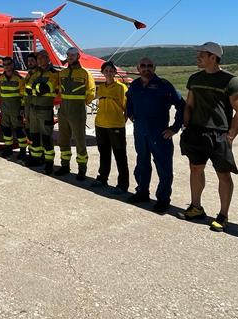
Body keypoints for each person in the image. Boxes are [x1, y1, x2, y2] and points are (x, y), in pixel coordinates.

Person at [179, 42, 238, 231]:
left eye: (202, 54)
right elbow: (190, 104)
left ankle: (223, 215)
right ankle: (195, 207)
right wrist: (186, 125)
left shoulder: (232, 81)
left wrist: (230, 136)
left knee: (223, 175)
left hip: (219, 133)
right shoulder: (194, 78)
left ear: (213, 57)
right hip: (196, 131)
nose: (198, 57)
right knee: (195, 169)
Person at [125, 56, 184, 212]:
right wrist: (130, 114)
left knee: (164, 168)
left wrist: (175, 128)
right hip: (140, 132)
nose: (146, 68)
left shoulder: (164, 86)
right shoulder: (135, 85)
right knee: (142, 164)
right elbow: (128, 101)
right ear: (138, 68)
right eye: (143, 66)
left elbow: (181, 106)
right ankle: (142, 192)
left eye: (149, 65)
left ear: (154, 67)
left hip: (159, 133)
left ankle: (163, 200)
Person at [56, 47, 95, 180]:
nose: (70, 57)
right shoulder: (62, 73)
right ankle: (65, 165)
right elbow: (58, 89)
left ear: (78, 56)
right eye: (68, 55)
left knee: (79, 141)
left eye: (73, 55)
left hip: (77, 111)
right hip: (63, 111)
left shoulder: (85, 73)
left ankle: (82, 169)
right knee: (63, 140)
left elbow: (91, 92)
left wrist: (82, 104)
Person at [92, 61, 129, 192]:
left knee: (120, 155)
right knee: (104, 153)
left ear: (115, 72)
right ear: (102, 73)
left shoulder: (121, 88)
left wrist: (122, 121)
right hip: (100, 124)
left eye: (111, 70)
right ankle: (102, 178)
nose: (108, 72)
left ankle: (123, 184)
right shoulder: (101, 88)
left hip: (116, 126)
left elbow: (127, 108)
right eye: (106, 70)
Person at [24, 52, 60, 173]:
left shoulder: (54, 74)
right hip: (33, 109)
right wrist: (37, 88)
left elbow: (47, 88)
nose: (39, 60)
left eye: (42, 57)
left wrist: (36, 88)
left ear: (48, 59)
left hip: (45, 110)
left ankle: (49, 162)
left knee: (46, 138)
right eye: (38, 58)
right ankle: (36, 158)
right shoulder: (35, 73)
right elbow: (27, 88)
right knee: (34, 137)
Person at [0, 56, 27, 160]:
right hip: (5, 108)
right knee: (6, 129)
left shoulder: (19, 79)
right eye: (4, 64)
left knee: (19, 129)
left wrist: (22, 108)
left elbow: (23, 95)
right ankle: (8, 148)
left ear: (12, 65)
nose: (7, 66)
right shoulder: (0, 79)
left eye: (8, 64)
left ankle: (23, 150)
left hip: (16, 108)